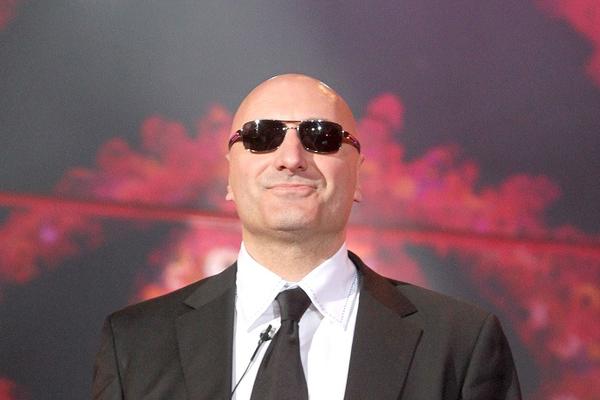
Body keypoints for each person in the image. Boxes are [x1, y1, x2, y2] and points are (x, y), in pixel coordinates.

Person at [92, 74, 522, 399]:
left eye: (321, 137)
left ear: (358, 178)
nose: (291, 158)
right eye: (261, 137)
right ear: (229, 177)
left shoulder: (460, 342)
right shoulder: (136, 343)